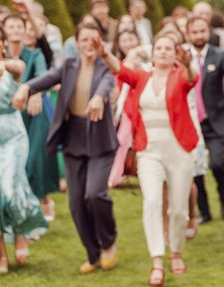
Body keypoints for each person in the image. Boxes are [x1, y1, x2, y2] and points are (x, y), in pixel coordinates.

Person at [12, 22, 118, 274]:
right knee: (76, 201)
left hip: (100, 140)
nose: (89, 45)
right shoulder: (69, 66)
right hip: (74, 138)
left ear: (100, 42)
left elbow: (106, 85)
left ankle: (109, 242)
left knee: (94, 194)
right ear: (77, 43)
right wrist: (26, 88)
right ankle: (93, 254)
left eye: (94, 40)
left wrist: (97, 98)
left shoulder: (106, 67)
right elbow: (47, 79)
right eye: (84, 40)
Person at [97, 31, 198, 286]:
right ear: (152, 54)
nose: (163, 51)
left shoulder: (179, 75)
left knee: (178, 209)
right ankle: (157, 260)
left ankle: (175, 250)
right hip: (148, 150)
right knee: (152, 202)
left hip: (178, 148)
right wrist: (104, 52)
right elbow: (120, 70)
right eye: (159, 48)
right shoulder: (142, 77)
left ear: (175, 54)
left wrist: (186, 64)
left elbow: (192, 79)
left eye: (168, 48)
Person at [0, 26, 48, 274]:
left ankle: (20, 232)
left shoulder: (13, 66)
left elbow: (17, 69)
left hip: (14, 136)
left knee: (10, 188)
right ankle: (1, 253)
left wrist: (3, 64)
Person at [3, 13, 58, 222]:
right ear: (4, 31)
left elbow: (44, 77)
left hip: (34, 116)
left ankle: (43, 202)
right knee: (17, 167)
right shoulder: (3, 57)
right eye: (11, 27)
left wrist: (36, 94)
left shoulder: (34, 55)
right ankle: (24, 213)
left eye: (20, 26)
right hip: (9, 119)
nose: (16, 30)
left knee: (35, 160)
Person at [187, 16, 224, 221]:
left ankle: (223, 194)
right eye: (195, 32)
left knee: (218, 163)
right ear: (188, 34)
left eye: (202, 31)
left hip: (215, 119)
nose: (199, 36)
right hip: (192, 122)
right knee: (196, 170)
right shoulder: (182, 56)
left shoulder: (218, 55)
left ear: (208, 33)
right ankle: (204, 211)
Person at [108, 29, 144, 188]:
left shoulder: (147, 62)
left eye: (131, 39)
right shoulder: (120, 65)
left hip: (143, 107)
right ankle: (114, 176)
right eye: (124, 40)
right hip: (127, 109)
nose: (128, 43)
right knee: (122, 141)